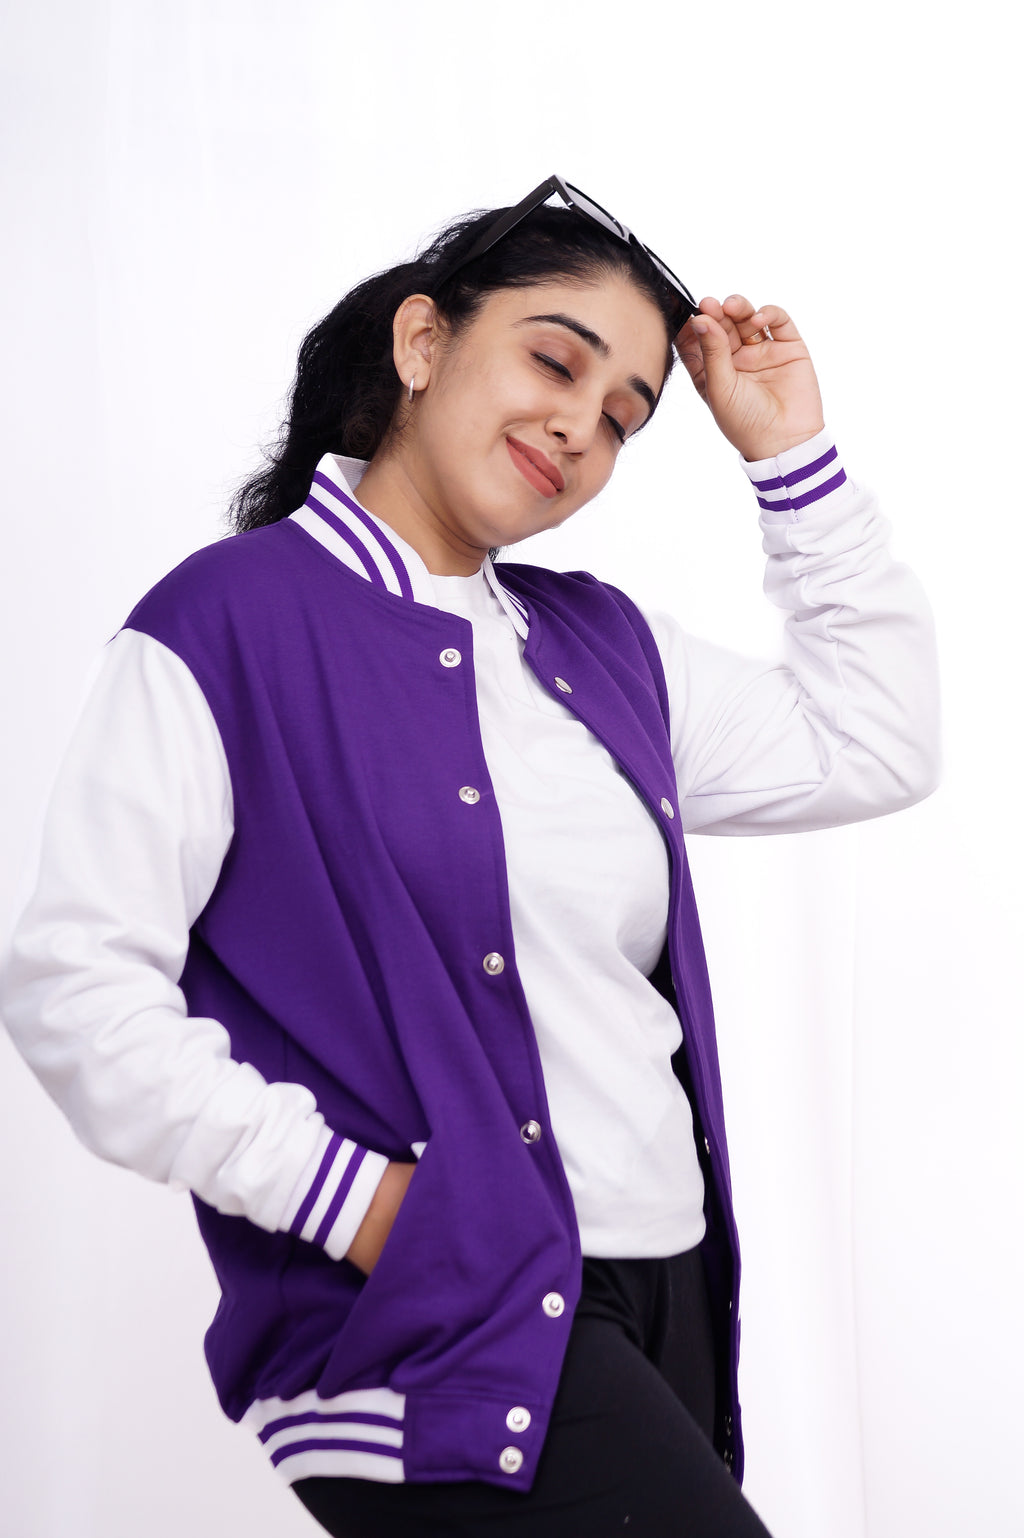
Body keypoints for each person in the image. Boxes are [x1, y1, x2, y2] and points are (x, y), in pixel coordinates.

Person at [0, 176, 939, 1536]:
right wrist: (365, 1203)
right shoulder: (229, 624)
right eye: (555, 359)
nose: (580, 422)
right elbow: (77, 985)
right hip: (439, 1307)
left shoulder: (602, 647)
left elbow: (878, 742)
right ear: (424, 342)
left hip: (665, 1279)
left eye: (623, 416)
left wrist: (791, 456)